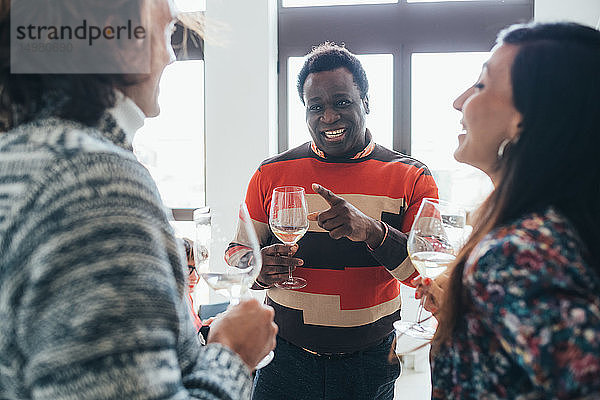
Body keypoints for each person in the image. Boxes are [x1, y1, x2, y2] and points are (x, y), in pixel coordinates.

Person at [0, 1, 277, 399]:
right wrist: (232, 354)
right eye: (167, 34)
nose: (171, 58)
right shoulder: (97, 183)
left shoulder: (16, 157)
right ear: (119, 37)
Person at [226, 43, 438, 399]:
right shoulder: (270, 172)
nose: (329, 116)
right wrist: (258, 269)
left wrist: (371, 231)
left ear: (366, 103)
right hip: (282, 358)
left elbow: (426, 273)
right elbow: (237, 252)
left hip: (368, 363)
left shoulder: (411, 176)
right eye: (316, 107)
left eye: (341, 102)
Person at [413, 22, 600, 399]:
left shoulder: (516, 253)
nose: (459, 101)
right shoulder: (556, 228)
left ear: (525, 118)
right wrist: (465, 317)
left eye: (481, 85)